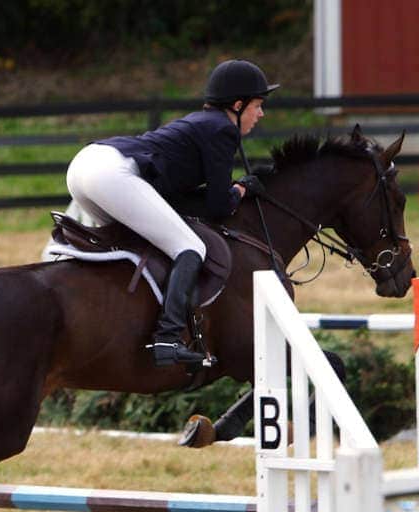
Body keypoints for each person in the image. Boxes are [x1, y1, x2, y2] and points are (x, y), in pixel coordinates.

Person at [65, 59, 278, 367]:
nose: (261, 114)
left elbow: (181, 202)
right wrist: (242, 189)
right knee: (191, 247)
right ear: (237, 105)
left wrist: (235, 190)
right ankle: (167, 337)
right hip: (110, 173)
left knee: (140, 245)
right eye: (257, 105)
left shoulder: (202, 123)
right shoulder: (222, 129)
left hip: (85, 166)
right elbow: (220, 206)